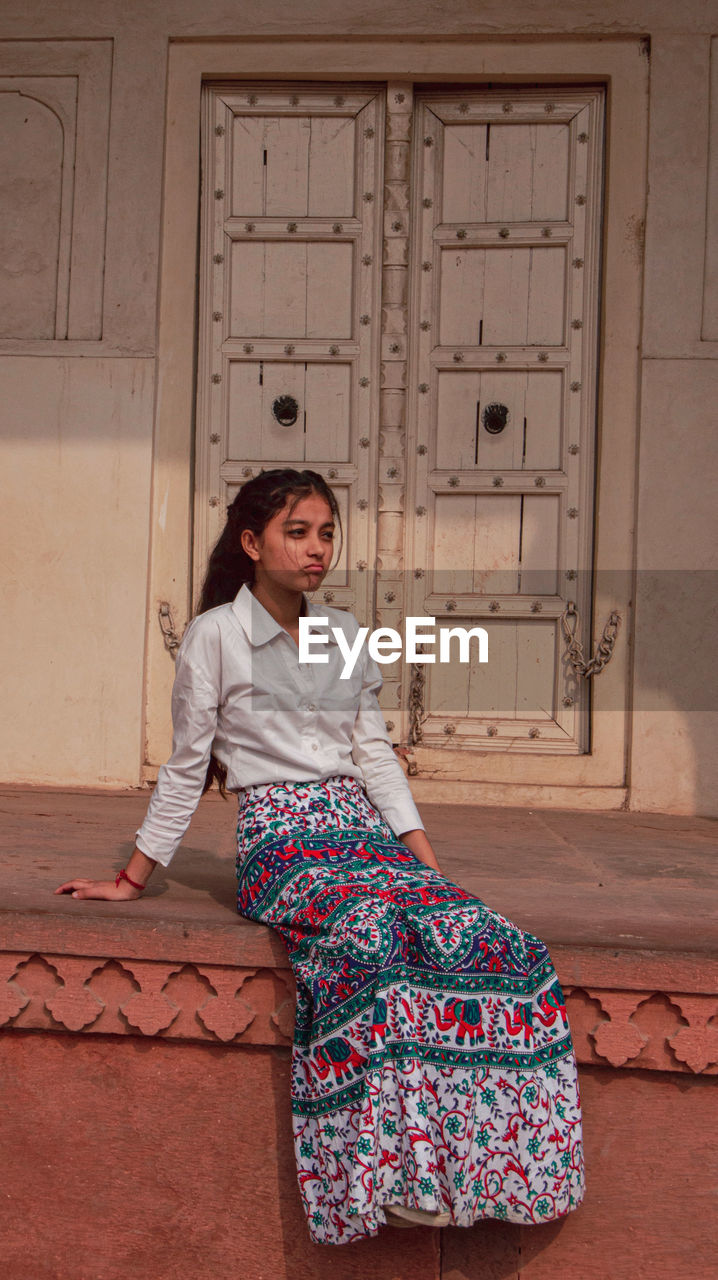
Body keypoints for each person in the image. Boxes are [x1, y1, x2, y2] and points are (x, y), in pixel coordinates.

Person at [56, 467, 585, 1245]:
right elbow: (185, 766)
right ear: (251, 542)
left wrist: (428, 867)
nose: (317, 549)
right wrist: (131, 879)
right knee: (370, 936)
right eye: (297, 532)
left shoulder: (343, 635)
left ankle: (498, 1171)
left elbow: (374, 757)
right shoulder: (214, 637)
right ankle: (391, 1178)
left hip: (360, 832)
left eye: (327, 533)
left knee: (490, 938)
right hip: (280, 840)